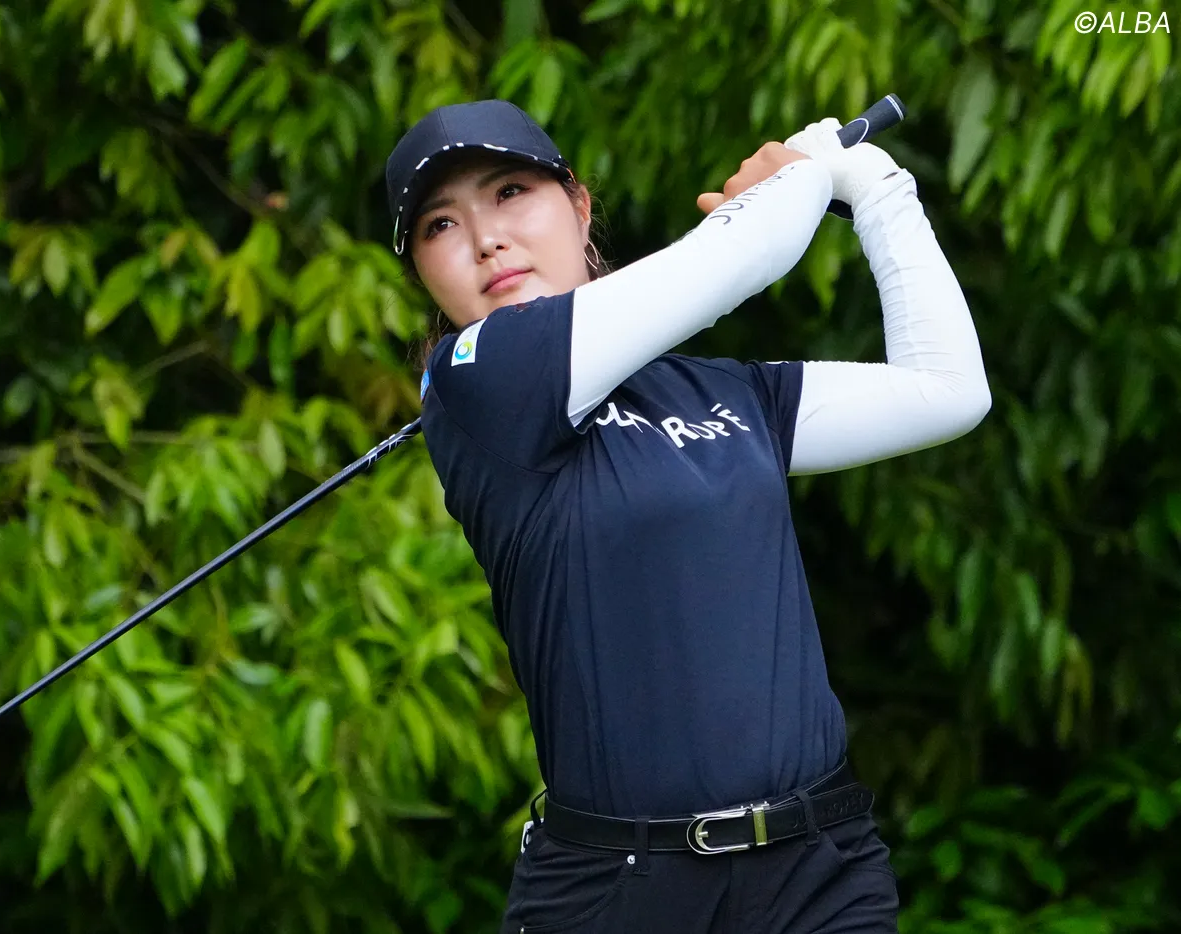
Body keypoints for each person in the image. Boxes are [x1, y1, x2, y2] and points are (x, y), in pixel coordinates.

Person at [385, 99, 990, 934]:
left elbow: (946, 390)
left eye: (511, 192)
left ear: (580, 206)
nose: (486, 238)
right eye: (440, 225)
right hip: (616, 892)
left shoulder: (721, 393)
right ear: (423, 272)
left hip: (819, 874)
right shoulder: (477, 380)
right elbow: (744, 253)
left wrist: (877, 188)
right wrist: (803, 175)